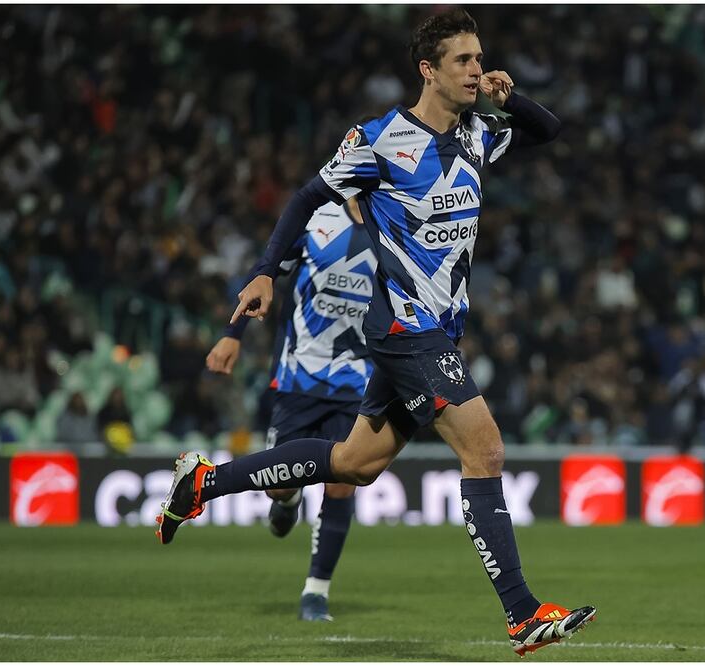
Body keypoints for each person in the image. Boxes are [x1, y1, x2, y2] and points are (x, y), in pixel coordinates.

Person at [156, 9, 595, 655]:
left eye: (480, 58)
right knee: (486, 452)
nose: (476, 70)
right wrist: (264, 274)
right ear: (428, 70)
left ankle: (203, 484)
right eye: (463, 61)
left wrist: (512, 96)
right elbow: (307, 198)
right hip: (404, 328)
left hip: (436, 330)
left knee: (352, 464)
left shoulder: (476, 133)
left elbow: (548, 131)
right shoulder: (380, 140)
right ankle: (523, 613)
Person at [205, 198, 374, 622]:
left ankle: (315, 592)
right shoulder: (318, 220)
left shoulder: (394, 224)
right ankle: (287, 499)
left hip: (358, 379)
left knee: (342, 482)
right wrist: (233, 334)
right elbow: (265, 273)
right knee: (278, 486)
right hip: (300, 374)